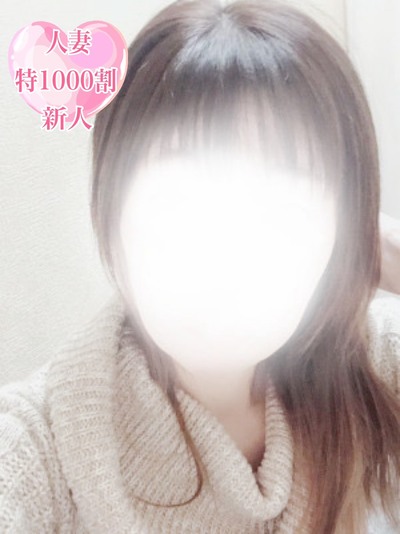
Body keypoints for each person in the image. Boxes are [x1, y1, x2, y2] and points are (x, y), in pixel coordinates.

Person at [1, 1, 400, 533]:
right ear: (110, 219)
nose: (226, 258)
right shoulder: (37, 445)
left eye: (281, 211)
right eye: (176, 203)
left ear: (343, 238)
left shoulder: (368, 361)